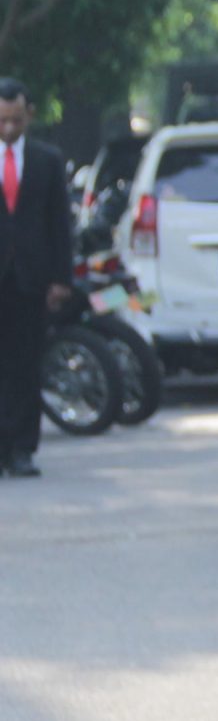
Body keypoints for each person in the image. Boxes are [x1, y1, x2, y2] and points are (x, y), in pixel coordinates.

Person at [0, 76, 74, 478]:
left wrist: (61, 278)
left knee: (25, 366)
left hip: (31, 279)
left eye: (15, 120)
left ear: (28, 115)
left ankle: (21, 449)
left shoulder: (47, 160)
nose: (9, 129)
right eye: (1, 121)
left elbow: (60, 225)